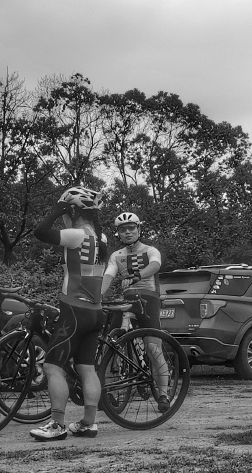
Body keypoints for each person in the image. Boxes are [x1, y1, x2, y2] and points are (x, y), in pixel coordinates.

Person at [29, 187, 109, 441]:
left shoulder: (76, 235)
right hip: (95, 311)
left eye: (67, 212)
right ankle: (88, 423)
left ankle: (57, 424)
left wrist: (57, 210)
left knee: (53, 367)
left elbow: (40, 232)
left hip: (74, 310)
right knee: (87, 368)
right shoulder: (102, 237)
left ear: (72, 211)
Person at [99, 212, 171, 413]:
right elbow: (108, 275)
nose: (128, 232)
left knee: (153, 348)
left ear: (139, 229)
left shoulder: (150, 250)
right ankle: (110, 392)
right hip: (127, 301)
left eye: (131, 228)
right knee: (109, 346)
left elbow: (155, 265)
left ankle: (163, 395)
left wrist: (138, 276)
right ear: (118, 233)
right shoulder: (116, 256)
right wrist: (97, 295)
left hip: (148, 300)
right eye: (123, 229)